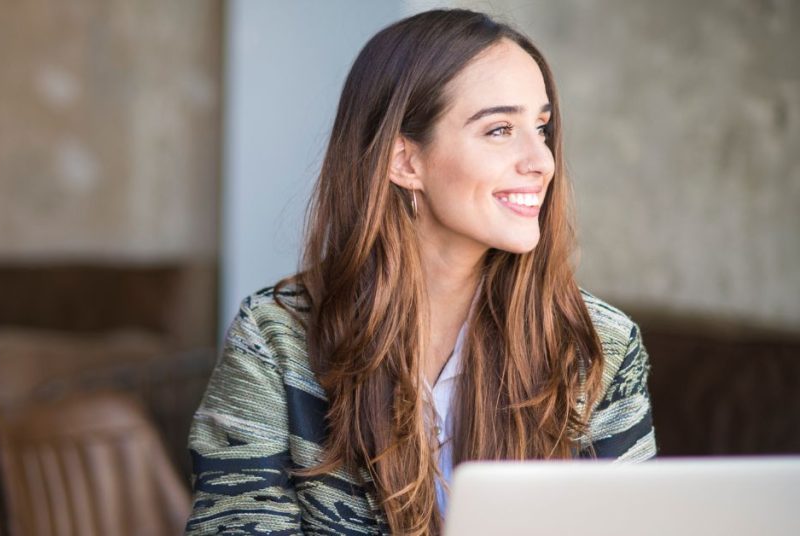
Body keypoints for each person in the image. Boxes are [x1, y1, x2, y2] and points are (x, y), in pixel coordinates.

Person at [185, 8, 657, 535]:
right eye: (500, 129)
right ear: (404, 161)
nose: (542, 161)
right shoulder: (275, 340)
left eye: (541, 127)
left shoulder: (597, 346)